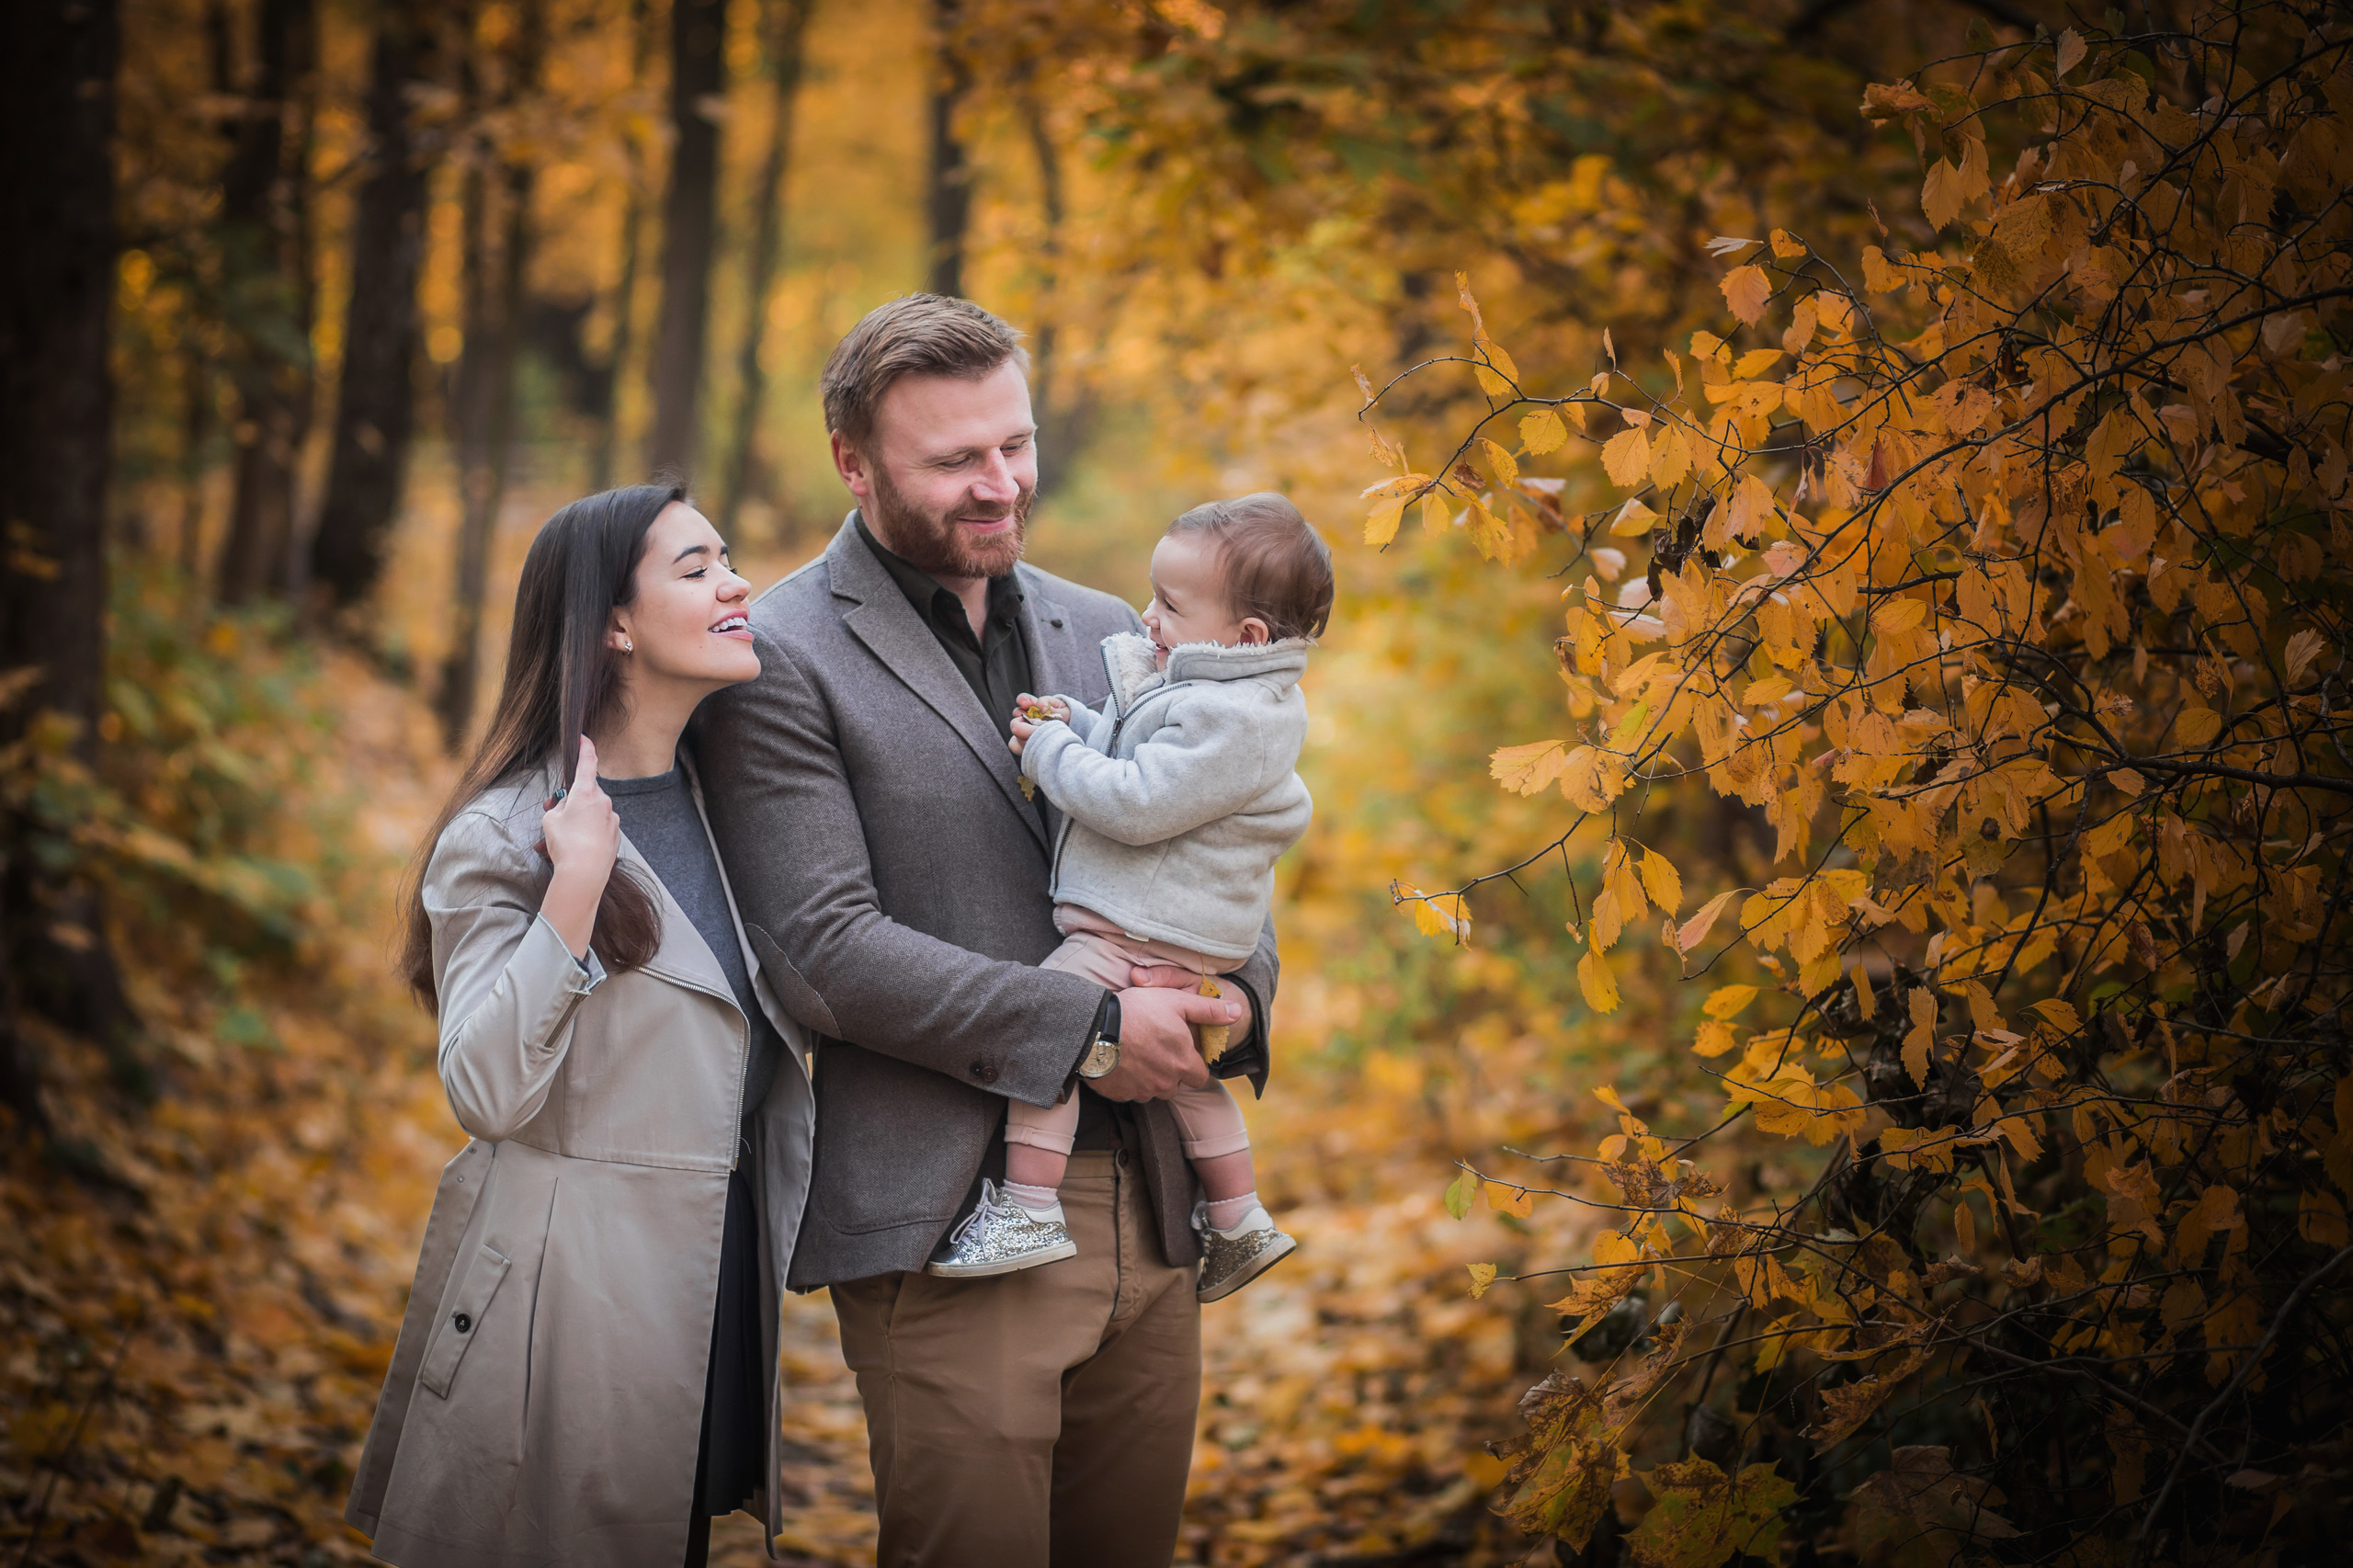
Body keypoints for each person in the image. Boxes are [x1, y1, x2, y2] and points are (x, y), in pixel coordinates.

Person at [695, 293, 1276, 1567]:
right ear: (853, 463)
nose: (999, 483)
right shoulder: (780, 654)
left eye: (1013, 444)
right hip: (947, 1217)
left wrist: (1237, 1005)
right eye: (955, 459)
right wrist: (1100, 1027)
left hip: (1161, 1204)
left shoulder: (1118, 626)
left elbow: (1221, 846)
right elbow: (825, 949)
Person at [346, 484, 815, 1568]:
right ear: (612, 621)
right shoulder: (504, 833)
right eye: (695, 568)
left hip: (709, 1268)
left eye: (728, 558)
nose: (736, 582)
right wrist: (576, 889)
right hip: (567, 1296)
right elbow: (484, 1088)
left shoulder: (724, 803)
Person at [935, 493, 1329, 1305]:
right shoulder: (1221, 692)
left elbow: (1136, 801)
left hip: (1134, 933)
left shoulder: (1231, 715)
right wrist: (1074, 720)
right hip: (1177, 935)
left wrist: (1050, 752)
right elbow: (1141, 741)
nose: (1147, 616)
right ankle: (1240, 1217)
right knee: (1191, 1082)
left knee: (1053, 1033)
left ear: (1246, 635)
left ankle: (1028, 1208)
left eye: (1170, 605)